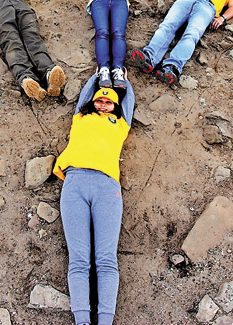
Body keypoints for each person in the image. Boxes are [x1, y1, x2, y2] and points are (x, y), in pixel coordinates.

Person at [54, 76, 134, 325]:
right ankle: (82, 320)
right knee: (78, 259)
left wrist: (124, 82)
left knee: (106, 259)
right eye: (99, 100)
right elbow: (85, 95)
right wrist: (99, 75)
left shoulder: (121, 123)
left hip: (107, 187)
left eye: (107, 102)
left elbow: (128, 98)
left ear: (115, 107)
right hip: (74, 182)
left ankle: (105, 321)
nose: (102, 104)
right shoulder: (80, 116)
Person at [129, 0, 233, 85]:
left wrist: (222, 18)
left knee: (192, 34)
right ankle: (149, 57)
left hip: (208, 6)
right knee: (167, 25)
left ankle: (172, 67)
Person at [88, 0, 130, 90]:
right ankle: (104, 70)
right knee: (102, 32)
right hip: (99, 2)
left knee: (118, 33)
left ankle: (117, 69)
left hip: (119, 0)